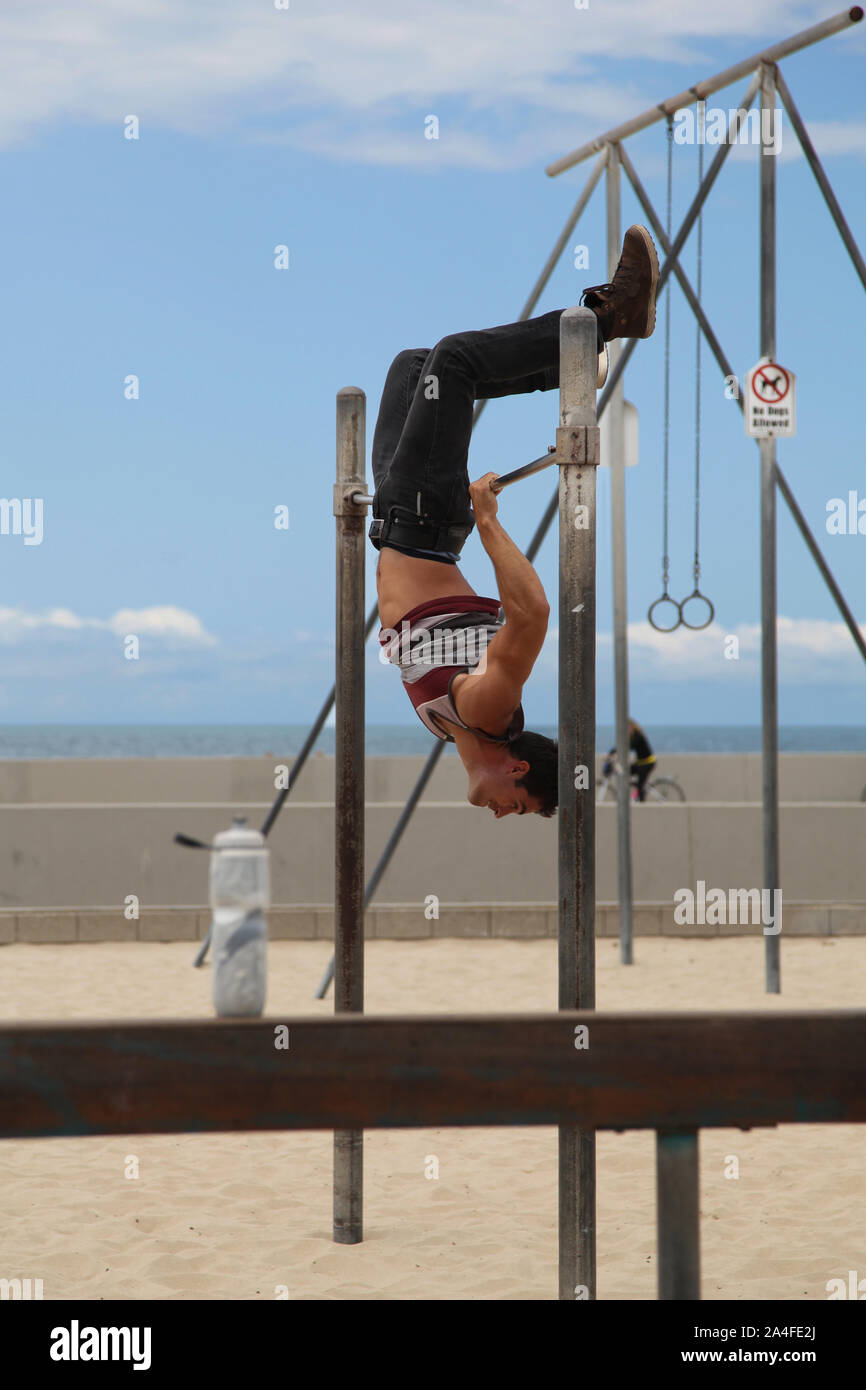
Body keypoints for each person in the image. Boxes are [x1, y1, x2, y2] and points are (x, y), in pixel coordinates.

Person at [372, 226, 659, 819]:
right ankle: (606, 320)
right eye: (519, 805)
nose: (503, 813)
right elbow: (532, 615)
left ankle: (581, 358)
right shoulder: (488, 708)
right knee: (452, 362)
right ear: (517, 767)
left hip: (401, 521)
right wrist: (487, 521)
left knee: (413, 368)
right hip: (422, 524)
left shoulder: (453, 731)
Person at [603, 719, 657, 802]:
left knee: (640, 784)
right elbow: (623, 746)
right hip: (640, 763)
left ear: (632, 726)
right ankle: (633, 787)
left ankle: (642, 803)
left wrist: (614, 754)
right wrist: (611, 752)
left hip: (647, 763)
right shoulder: (632, 736)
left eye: (628, 727)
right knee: (625, 772)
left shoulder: (637, 736)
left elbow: (628, 747)